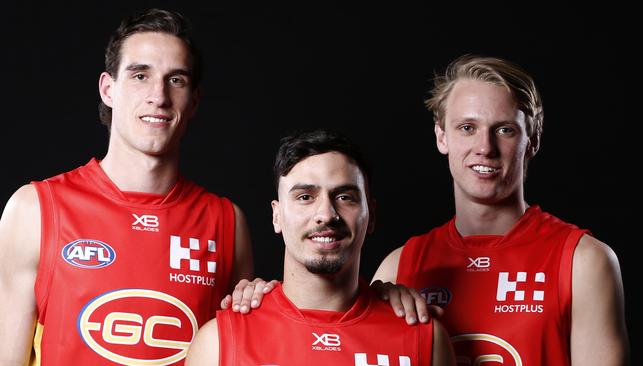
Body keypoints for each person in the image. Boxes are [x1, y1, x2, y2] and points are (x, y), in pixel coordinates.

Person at [0, 8, 254, 365]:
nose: (158, 96)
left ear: (193, 101)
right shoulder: (36, 209)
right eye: (140, 75)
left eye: (176, 80)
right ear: (108, 89)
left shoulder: (227, 222)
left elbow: (241, 350)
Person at [372, 54, 630, 365]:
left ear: (532, 140)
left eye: (505, 130)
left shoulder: (583, 261)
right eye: (467, 127)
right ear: (442, 136)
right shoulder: (398, 268)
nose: (485, 147)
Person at [185, 130, 455, 365]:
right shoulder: (218, 342)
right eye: (305, 197)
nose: (326, 214)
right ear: (276, 216)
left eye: (345, 197)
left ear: (370, 215)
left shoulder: (424, 338)